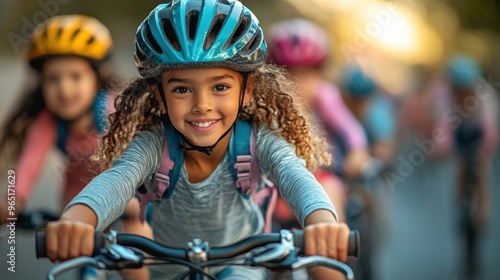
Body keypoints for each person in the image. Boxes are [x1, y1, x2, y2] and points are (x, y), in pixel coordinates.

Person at [43, 1, 352, 280]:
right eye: (181, 90)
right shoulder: (154, 143)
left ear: (247, 90)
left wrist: (321, 221)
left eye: (219, 87)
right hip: (167, 270)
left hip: (241, 267)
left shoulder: (259, 139)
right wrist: (78, 220)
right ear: (159, 97)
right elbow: (118, 179)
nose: (201, 104)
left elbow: (294, 175)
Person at [0, 14, 150, 279]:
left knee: (136, 265)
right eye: (53, 79)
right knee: (75, 261)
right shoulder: (47, 122)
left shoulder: (114, 110)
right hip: (78, 198)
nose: (64, 88)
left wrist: (134, 201)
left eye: (75, 76)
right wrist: (11, 203)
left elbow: (135, 163)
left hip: (129, 197)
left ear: (97, 76)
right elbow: (26, 167)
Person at [340, 63, 396, 165]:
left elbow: (385, 149)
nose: (357, 106)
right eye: (354, 100)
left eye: (361, 101)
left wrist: (365, 156)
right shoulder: (339, 108)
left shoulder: (377, 114)